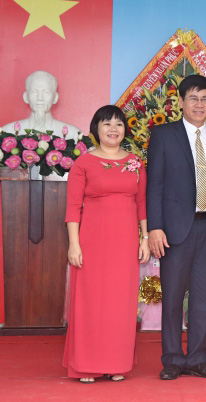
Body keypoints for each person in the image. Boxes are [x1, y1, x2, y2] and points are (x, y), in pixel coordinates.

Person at [147, 74, 206, 380]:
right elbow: (154, 184)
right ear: (181, 102)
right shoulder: (163, 135)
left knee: (203, 300)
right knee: (172, 298)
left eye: (205, 99)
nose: (199, 104)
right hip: (174, 231)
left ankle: (198, 359)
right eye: (193, 98)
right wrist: (154, 227)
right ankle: (172, 359)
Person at [63, 105, 150, 383]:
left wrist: (145, 238)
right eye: (106, 124)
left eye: (118, 124)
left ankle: (116, 363)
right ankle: (86, 365)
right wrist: (73, 245)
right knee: (90, 302)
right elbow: (73, 207)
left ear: (125, 130)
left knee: (119, 304)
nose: (113, 129)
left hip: (125, 243)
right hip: (91, 241)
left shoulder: (135, 161)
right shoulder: (84, 163)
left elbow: (142, 204)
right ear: (95, 130)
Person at [2, 70, 82, 140]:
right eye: (34, 92)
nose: (40, 98)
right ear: (26, 97)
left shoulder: (72, 134)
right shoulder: (8, 131)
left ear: (55, 98)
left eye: (46, 92)